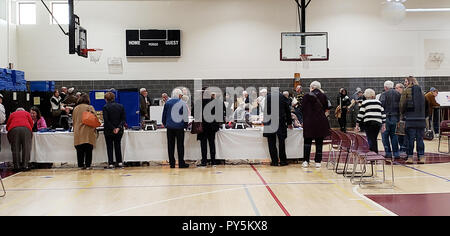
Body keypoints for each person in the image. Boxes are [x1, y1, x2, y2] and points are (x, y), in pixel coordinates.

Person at [301, 81, 331, 168]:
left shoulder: (306, 96)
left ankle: (306, 161)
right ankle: (318, 162)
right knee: (319, 143)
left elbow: (302, 108)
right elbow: (326, 108)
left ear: (312, 87)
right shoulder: (323, 95)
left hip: (309, 122)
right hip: (320, 122)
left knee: (307, 142)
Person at [400, 76, 426, 164]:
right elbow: (427, 106)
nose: (404, 83)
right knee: (420, 139)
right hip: (421, 119)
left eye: (405, 81)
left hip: (410, 119)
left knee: (410, 139)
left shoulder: (406, 90)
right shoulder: (422, 92)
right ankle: (421, 156)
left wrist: (403, 114)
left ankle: (410, 157)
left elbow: (402, 105)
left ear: (410, 82)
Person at [263, 91, 293, 166]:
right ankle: (283, 161)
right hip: (280, 121)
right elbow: (288, 111)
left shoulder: (268, 97)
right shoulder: (283, 97)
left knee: (271, 142)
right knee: (281, 142)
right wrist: (289, 123)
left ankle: (274, 161)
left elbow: (265, 111)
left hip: (270, 121)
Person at [197, 89, 225, 167]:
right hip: (212, 127)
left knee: (203, 145)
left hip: (203, 126)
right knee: (212, 143)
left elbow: (194, 114)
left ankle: (204, 162)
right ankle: (213, 162)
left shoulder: (199, 102)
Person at [162, 89, 189, 168]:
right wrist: (186, 125)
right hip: (179, 127)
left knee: (170, 146)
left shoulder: (167, 103)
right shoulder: (182, 103)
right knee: (180, 145)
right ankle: (181, 163)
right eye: (181, 95)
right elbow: (185, 116)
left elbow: (164, 116)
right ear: (179, 95)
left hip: (170, 127)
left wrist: (166, 124)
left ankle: (172, 163)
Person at [356, 89, 386, 154]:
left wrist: (357, 124)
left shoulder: (365, 102)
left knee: (370, 138)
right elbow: (383, 114)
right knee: (374, 138)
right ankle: (375, 153)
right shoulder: (378, 102)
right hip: (378, 123)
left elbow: (361, 114)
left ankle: (372, 153)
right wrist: (384, 124)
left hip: (368, 122)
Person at [72, 94, 98, 170]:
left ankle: (80, 165)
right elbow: (95, 118)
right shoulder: (89, 107)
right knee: (88, 150)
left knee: (79, 150)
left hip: (78, 131)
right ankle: (88, 165)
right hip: (88, 131)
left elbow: (73, 120)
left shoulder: (76, 108)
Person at [102, 92, 126, 169]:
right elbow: (123, 119)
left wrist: (113, 128)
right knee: (117, 145)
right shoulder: (121, 106)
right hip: (119, 130)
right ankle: (119, 162)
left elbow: (106, 120)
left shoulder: (105, 107)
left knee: (109, 146)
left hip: (109, 130)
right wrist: (118, 128)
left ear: (106, 99)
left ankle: (111, 163)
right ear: (114, 98)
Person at [379, 81, 401, 159]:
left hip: (386, 118)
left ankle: (388, 153)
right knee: (394, 136)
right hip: (396, 118)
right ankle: (396, 153)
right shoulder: (398, 94)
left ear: (385, 87)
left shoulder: (383, 94)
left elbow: (381, 106)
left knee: (385, 136)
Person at [395, 83, 407, 154]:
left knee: (403, 134)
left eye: (397, 88)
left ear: (401, 88)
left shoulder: (404, 96)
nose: (395, 89)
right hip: (399, 117)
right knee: (399, 134)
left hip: (404, 117)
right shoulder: (397, 96)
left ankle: (404, 148)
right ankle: (401, 147)